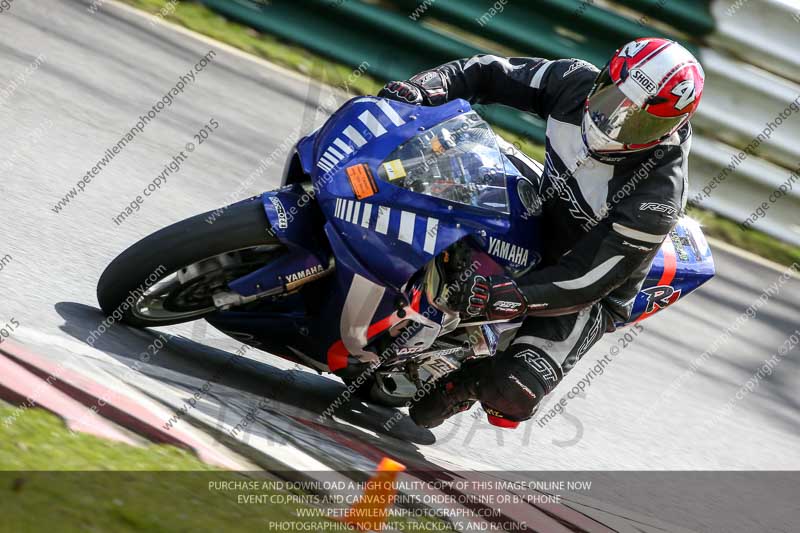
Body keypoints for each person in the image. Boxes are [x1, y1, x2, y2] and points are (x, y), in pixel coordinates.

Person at [378, 38, 705, 429]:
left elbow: (588, 280)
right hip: (540, 205)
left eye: (641, 121)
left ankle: (467, 380)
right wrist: (428, 87)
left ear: (673, 125)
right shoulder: (573, 80)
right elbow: (488, 72)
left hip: (584, 284)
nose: (617, 121)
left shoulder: (658, 194)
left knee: (514, 392)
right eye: (614, 100)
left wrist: (515, 297)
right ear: (604, 77)